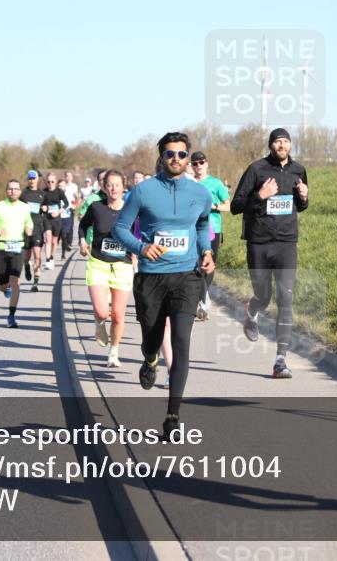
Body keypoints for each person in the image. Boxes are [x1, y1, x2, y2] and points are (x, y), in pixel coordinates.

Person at [113, 132, 215, 440]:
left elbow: (201, 225)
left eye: (182, 154)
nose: (176, 159)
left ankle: (173, 415)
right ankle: (149, 358)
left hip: (186, 277)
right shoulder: (143, 192)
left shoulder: (200, 194)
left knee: (182, 339)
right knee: (151, 339)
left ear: (188, 157)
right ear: (161, 157)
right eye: (170, 154)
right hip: (151, 278)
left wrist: (206, 250)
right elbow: (120, 228)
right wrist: (142, 248)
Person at [230, 128, 309, 379]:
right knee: (263, 295)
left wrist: (305, 199)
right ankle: (252, 311)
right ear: (270, 145)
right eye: (277, 141)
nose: (282, 145)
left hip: (286, 242)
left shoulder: (299, 170)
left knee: (286, 297)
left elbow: (300, 205)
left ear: (290, 145)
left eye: (285, 141)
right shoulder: (257, 169)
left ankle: (280, 360)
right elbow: (235, 206)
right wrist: (260, 195)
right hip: (259, 243)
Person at [79, 169, 136, 367]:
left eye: (117, 185)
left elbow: (138, 235)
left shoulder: (131, 209)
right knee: (103, 312)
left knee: (119, 314)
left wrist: (137, 254)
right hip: (98, 264)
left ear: (123, 187)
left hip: (122, 265)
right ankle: (99, 323)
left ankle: (114, 352)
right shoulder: (96, 207)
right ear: (104, 187)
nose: (113, 188)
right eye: (110, 184)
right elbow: (83, 225)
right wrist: (82, 241)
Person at [0, 179, 34, 327]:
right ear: (6, 191)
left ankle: (11, 316)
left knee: (16, 282)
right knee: (3, 286)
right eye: (10, 189)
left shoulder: (25, 207)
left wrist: (29, 228)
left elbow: (29, 221)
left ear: (20, 191)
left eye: (16, 189)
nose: (13, 191)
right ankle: (5, 285)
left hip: (18, 248)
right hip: (2, 249)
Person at [190, 151, 230, 321]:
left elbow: (228, 206)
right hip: (191, 228)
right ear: (191, 166)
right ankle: (198, 297)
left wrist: (213, 206)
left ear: (207, 164)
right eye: (195, 163)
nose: (198, 166)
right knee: (194, 264)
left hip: (212, 228)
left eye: (201, 162)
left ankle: (203, 296)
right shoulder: (189, 183)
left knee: (209, 264)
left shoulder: (216, 183)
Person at [19, 170, 47, 292]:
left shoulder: (42, 194)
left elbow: (47, 209)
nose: (31, 180)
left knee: (37, 255)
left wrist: (45, 209)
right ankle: (26, 265)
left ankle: (36, 282)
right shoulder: (23, 194)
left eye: (33, 178)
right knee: (26, 256)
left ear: (37, 179)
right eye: (29, 178)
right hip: (26, 229)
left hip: (37, 228)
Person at [41, 172, 67, 270]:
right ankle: (47, 260)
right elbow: (40, 204)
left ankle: (52, 257)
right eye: (48, 181)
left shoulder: (59, 192)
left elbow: (66, 204)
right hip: (47, 218)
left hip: (57, 219)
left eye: (52, 181)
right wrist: (42, 208)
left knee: (54, 241)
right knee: (48, 238)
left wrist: (58, 212)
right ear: (46, 182)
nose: (50, 183)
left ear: (55, 182)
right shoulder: (43, 192)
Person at [58, 174, 79, 256]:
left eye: (62, 186)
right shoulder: (56, 193)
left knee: (65, 232)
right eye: (59, 186)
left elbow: (76, 199)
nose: (61, 187)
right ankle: (64, 249)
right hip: (59, 216)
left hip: (68, 214)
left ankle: (67, 246)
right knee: (61, 235)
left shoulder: (69, 192)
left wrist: (75, 205)